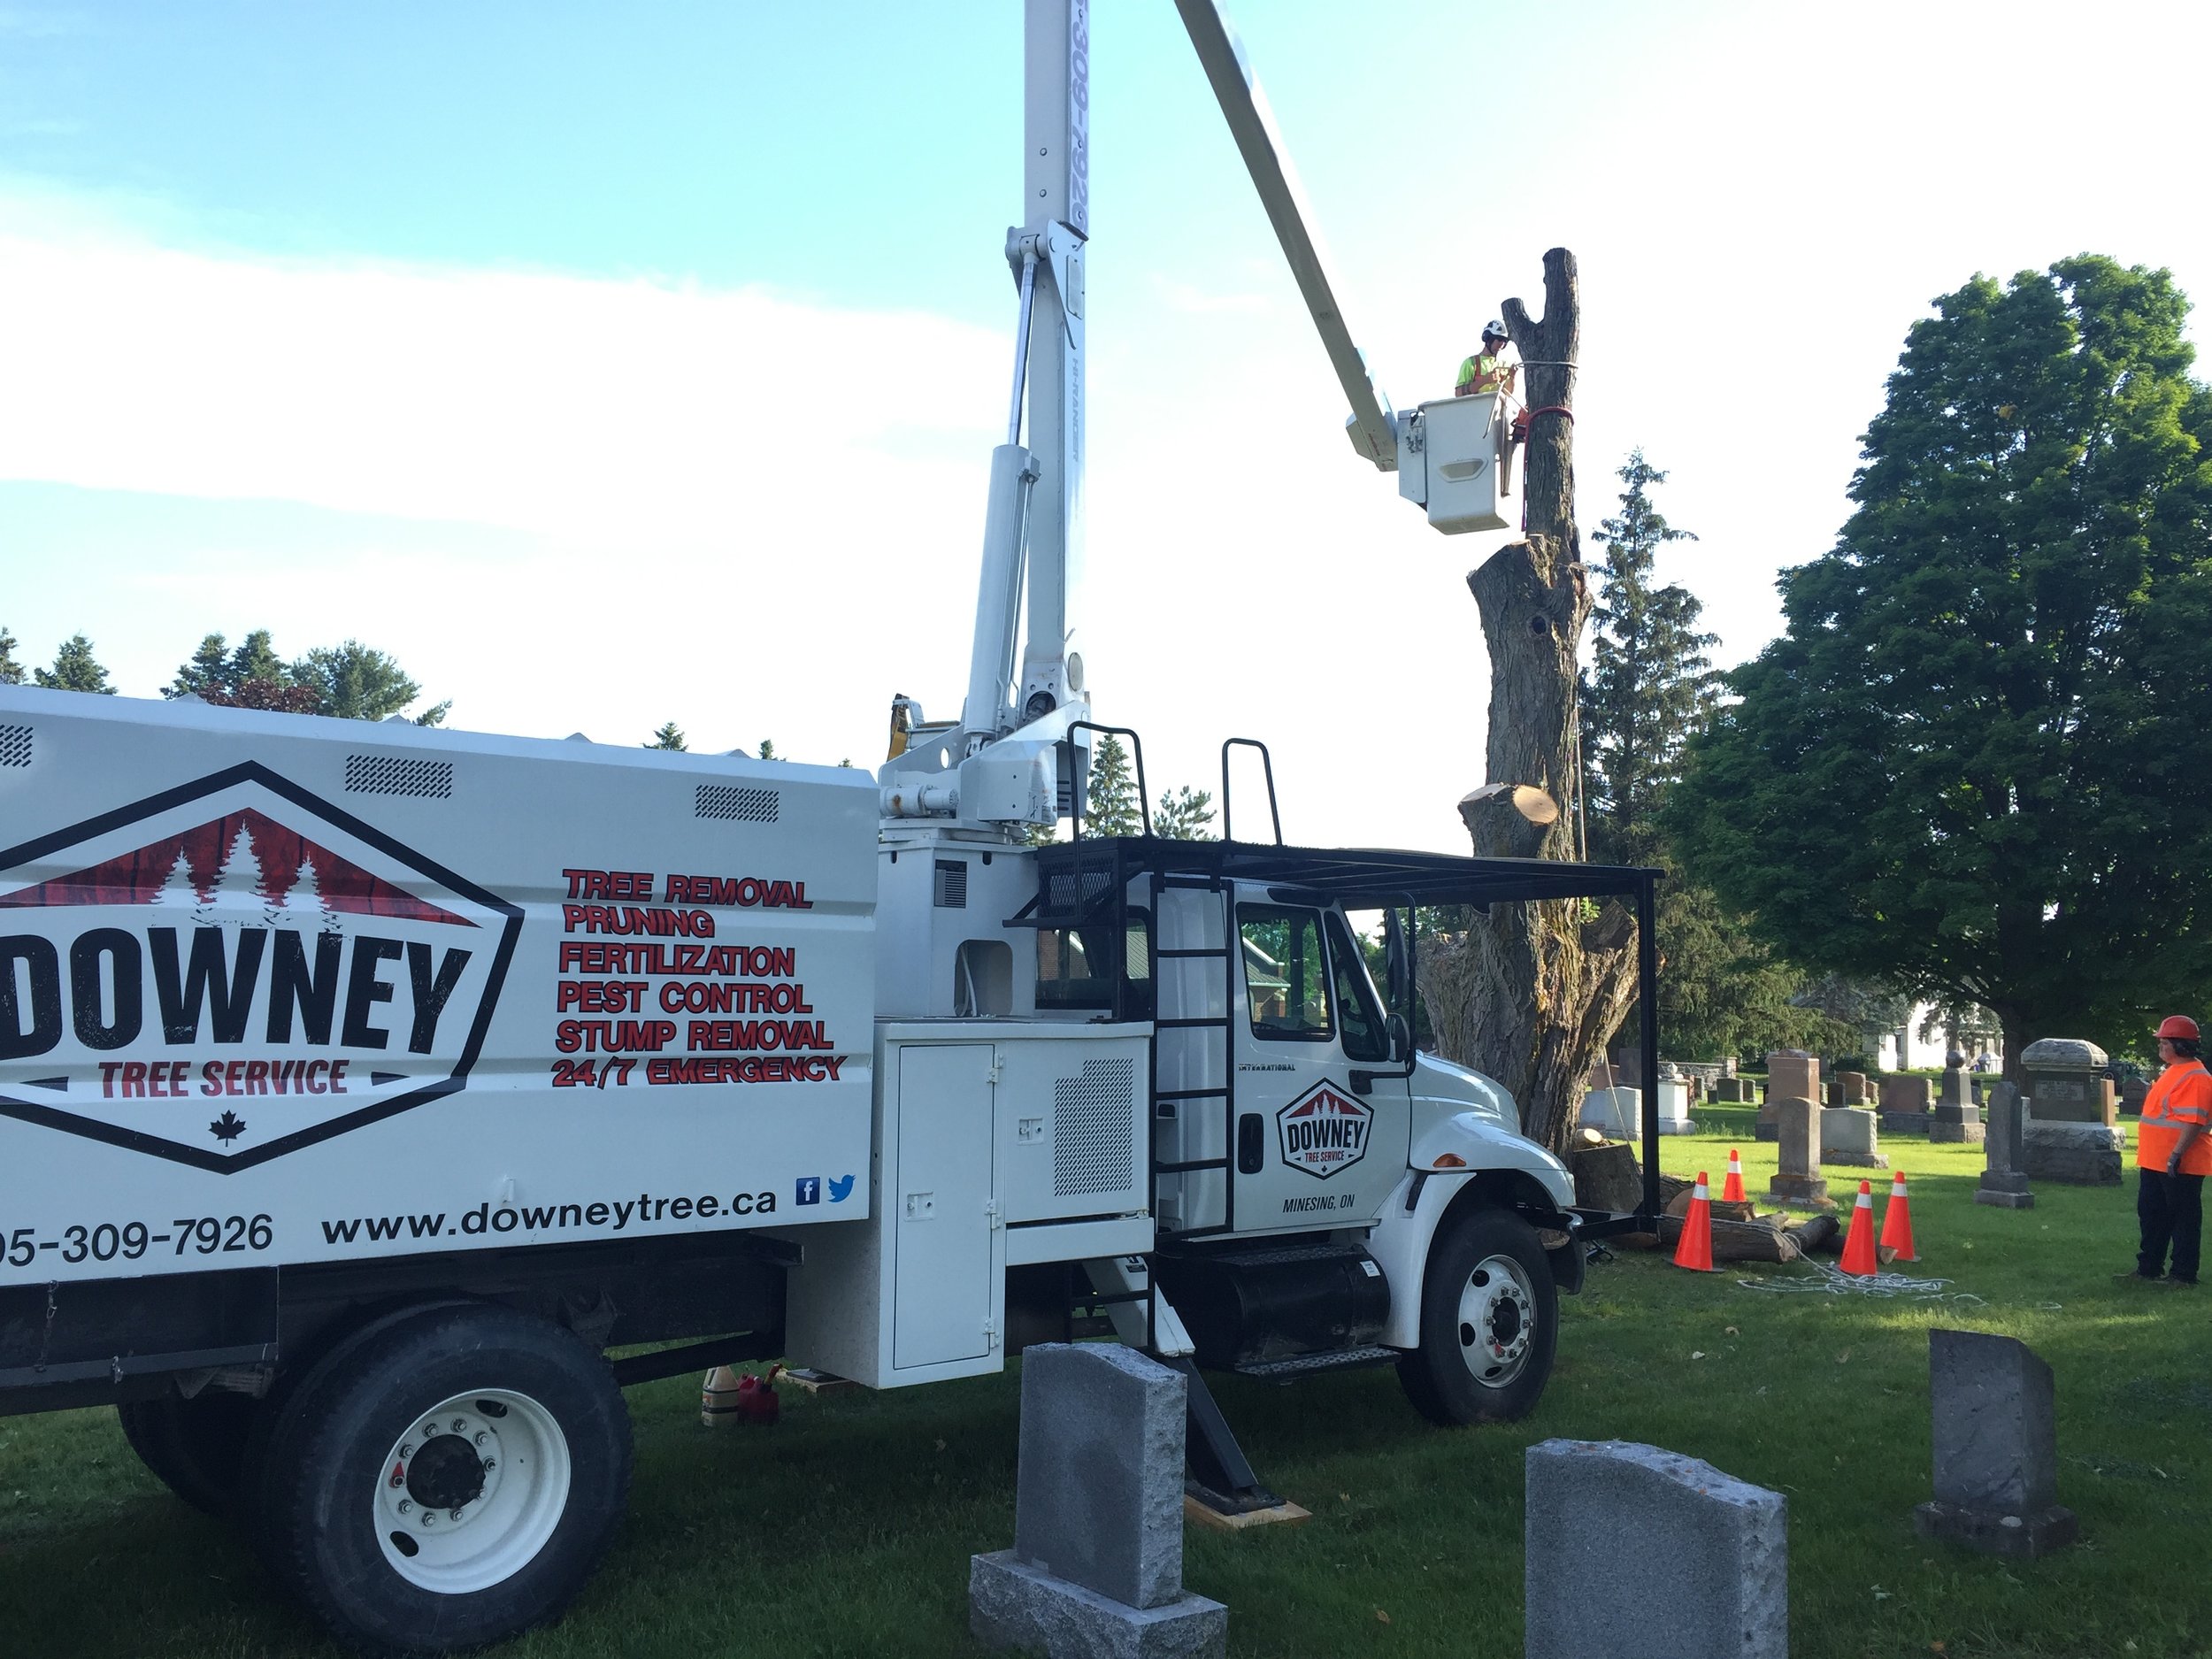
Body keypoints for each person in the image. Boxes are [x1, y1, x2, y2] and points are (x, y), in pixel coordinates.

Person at [2124, 1014, 2209, 1286]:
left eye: (2164, 1041)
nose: (2160, 1045)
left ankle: (2183, 1275)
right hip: (2157, 1160)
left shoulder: (2195, 1077)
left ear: (2181, 1044)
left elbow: (2193, 1121)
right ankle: (2148, 1268)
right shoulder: (2174, 1072)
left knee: (2182, 1219)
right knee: (2152, 1215)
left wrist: (2176, 1154)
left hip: (2178, 1162)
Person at [1455, 321, 1517, 398]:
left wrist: (1512, 377)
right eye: (1499, 339)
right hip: (1476, 408)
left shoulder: (1504, 366)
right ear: (1488, 338)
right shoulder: (1471, 363)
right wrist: (1484, 381)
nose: (1502, 344)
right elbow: (1458, 393)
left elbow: (1508, 395)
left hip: (1496, 409)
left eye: (1505, 341)